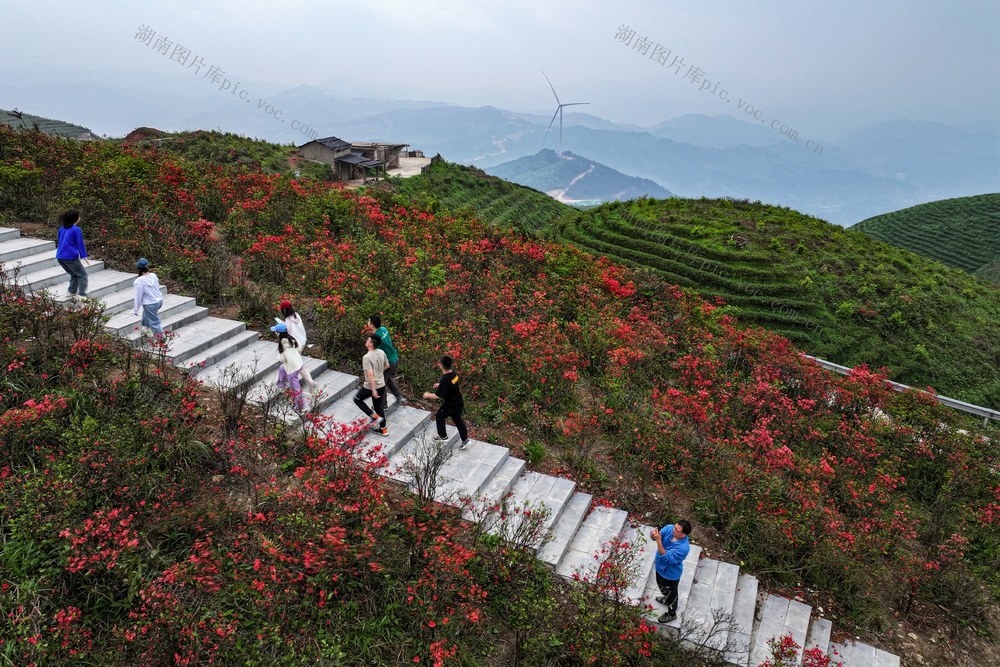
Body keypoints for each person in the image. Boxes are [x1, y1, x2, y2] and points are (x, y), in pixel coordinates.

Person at [422, 355, 470, 451]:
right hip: (459, 402)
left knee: (439, 416)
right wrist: (440, 385)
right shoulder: (454, 374)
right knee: (458, 420)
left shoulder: (445, 379)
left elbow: (437, 396)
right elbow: (452, 384)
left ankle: (443, 436)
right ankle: (465, 440)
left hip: (450, 404)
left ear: (441, 366)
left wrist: (427, 395)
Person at [651, 520, 692, 623]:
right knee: (662, 587)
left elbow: (666, 557)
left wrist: (658, 540)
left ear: (683, 535)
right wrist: (654, 535)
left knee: (672, 594)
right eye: (674, 527)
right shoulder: (670, 528)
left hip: (670, 574)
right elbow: (656, 536)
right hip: (660, 568)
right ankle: (666, 599)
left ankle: (672, 613)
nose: (673, 530)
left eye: (677, 530)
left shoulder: (683, 548)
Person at [353, 333, 390, 436]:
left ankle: (374, 417)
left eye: (367, 340)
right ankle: (384, 429)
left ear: (371, 344)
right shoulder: (381, 352)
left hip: (371, 386)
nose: (366, 341)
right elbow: (387, 365)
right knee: (379, 407)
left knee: (357, 399)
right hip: (382, 385)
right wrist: (378, 373)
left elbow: (370, 374)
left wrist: (373, 389)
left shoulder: (367, 357)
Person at [278, 300, 317, 391]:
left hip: (294, 345)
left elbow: (288, 331)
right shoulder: (296, 315)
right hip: (302, 342)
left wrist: (281, 325)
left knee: (298, 364)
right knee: (298, 362)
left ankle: (310, 382)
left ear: (284, 310)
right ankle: (283, 381)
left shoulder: (288, 320)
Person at [366, 314, 403, 403]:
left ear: (372, 324)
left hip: (388, 362)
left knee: (381, 384)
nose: (367, 322)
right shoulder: (384, 329)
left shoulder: (375, 339)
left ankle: (383, 405)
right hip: (394, 358)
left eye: (368, 321)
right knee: (388, 379)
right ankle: (399, 397)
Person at [55, 209, 90, 300]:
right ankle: (82, 295)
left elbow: (60, 241)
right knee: (82, 274)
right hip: (70, 257)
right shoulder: (76, 229)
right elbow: (79, 243)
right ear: (75, 218)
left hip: (60, 257)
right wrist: (84, 256)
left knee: (74, 273)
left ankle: (71, 291)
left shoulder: (62, 228)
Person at [270, 322, 305, 411]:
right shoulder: (292, 339)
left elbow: (282, 359)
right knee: (282, 368)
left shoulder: (282, 345)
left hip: (292, 369)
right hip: (298, 363)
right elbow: (299, 348)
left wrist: (279, 355)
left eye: (275, 331)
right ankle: (281, 384)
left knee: (295, 387)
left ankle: (299, 405)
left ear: (278, 333)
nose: (275, 333)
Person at [132, 258, 164, 339]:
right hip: (159, 301)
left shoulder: (139, 281)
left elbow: (138, 296)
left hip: (150, 304)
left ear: (138, 269)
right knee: (147, 313)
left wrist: (136, 310)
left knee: (155, 322)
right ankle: (146, 328)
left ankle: (163, 340)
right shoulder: (153, 275)